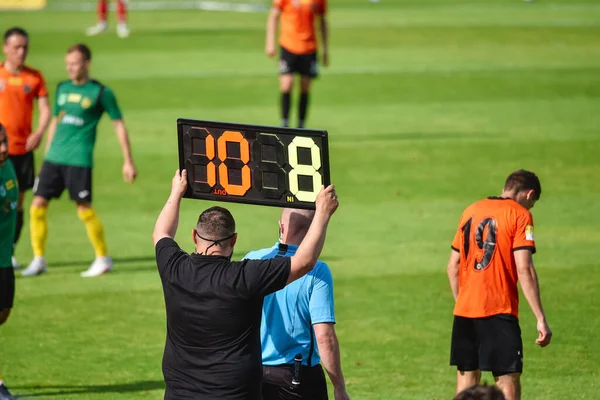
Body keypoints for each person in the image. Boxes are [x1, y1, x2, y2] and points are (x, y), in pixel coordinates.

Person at [153, 169, 338, 400]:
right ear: (234, 240)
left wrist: (176, 193)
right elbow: (304, 261)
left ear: (193, 235)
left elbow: (161, 232)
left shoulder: (174, 268)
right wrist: (322, 213)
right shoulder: (244, 276)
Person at [21, 43, 137, 278]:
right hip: (54, 158)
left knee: (84, 209)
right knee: (37, 206)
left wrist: (128, 160)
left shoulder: (102, 93)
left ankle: (103, 258)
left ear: (87, 64)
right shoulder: (62, 88)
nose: (70, 68)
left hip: (79, 160)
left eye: (74, 63)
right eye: (68, 64)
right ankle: (39, 258)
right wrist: (46, 155)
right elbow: (55, 120)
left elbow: (118, 124)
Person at [447, 170, 553, 400]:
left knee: (466, 383)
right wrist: (540, 318)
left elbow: (452, 267)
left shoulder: (470, 210)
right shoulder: (520, 215)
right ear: (529, 194)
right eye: (532, 203)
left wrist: (463, 302)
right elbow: (524, 268)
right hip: (498, 310)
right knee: (507, 379)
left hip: (465, 312)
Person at [243, 208, 350, 400]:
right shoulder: (317, 271)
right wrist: (339, 387)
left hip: (251, 374)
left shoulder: (251, 259)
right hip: (296, 379)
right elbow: (324, 336)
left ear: (281, 227)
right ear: (313, 230)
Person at [1, 27, 51, 269]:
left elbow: (45, 110)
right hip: (1, 152)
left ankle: (8, 249)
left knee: (15, 202)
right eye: (17, 47)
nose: (21, 52)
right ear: (5, 48)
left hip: (22, 152)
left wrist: (39, 132)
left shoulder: (34, 77)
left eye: (25, 47)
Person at [265, 0, 328, 129]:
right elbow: (274, 15)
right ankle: (285, 123)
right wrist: (270, 42)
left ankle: (301, 124)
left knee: (305, 87)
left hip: (309, 48)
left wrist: (325, 49)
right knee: (286, 85)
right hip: (288, 45)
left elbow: (322, 20)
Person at [0, 124, 19, 400]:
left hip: (5, 259)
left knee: (3, 313)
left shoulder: (8, 166)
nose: (4, 147)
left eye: (4, 141)